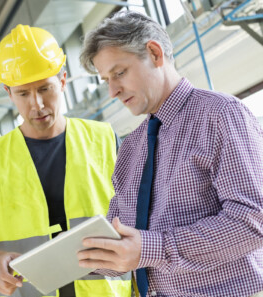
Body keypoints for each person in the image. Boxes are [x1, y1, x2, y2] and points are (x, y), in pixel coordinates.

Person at [77, 10, 263, 297]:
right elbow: (125, 243)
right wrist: (66, 259)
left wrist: (152, 248)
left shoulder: (220, 115)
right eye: (106, 80)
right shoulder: (130, 149)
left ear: (154, 53)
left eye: (119, 73)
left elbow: (252, 220)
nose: (113, 90)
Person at [0, 24, 131, 297]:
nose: (37, 104)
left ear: (63, 80)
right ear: (8, 93)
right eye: (23, 94)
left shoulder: (104, 139)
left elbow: (142, 217)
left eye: (45, 88)